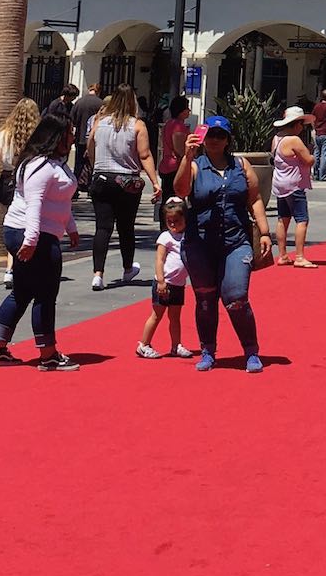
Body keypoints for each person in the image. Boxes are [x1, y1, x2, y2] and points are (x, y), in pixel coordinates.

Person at [172, 113, 273, 373]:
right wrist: (187, 156)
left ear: (228, 139)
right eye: (210, 135)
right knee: (205, 299)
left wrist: (264, 232)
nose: (215, 140)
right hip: (200, 243)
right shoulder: (195, 165)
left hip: (235, 241)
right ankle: (208, 350)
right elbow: (181, 190)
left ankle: (251, 351)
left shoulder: (240, 166)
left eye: (220, 135)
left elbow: (255, 199)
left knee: (236, 296)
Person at [0, 114, 81, 371]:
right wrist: (31, 240)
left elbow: (60, 201)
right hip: (31, 233)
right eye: (69, 133)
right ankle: (48, 354)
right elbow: (34, 205)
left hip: (40, 233)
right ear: (57, 137)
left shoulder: (56, 164)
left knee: (23, 291)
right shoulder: (40, 166)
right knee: (45, 294)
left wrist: (70, 227)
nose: (73, 138)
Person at [86, 85, 159, 291]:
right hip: (127, 180)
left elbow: (90, 147)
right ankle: (128, 268)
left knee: (103, 227)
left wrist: (95, 166)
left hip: (101, 177)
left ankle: (98, 274)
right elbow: (144, 155)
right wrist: (154, 181)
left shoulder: (99, 123)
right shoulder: (137, 125)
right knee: (126, 226)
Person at [0, 97, 41, 289]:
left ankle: (10, 269)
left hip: (7, 180)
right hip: (29, 180)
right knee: (28, 222)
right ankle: (17, 265)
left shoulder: (4, 134)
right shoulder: (37, 135)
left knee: (13, 220)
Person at [135, 195, 194, 360]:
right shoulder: (165, 237)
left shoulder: (187, 236)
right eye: (170, 221)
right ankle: (144, 344)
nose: (173, 224)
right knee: (156, 315)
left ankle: (176, 345)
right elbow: (159, 260)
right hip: (164, 283)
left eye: (177, 220)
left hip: (179, 284)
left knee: (175, 317)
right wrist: (160, 281)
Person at [271, 104, 317, 267]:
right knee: (301, 219)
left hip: (280, 183)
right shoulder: (294, 140)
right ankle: (299, 256)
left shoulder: (277, 138)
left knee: (282, 219)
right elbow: (308, 160)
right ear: (296, 124)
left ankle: (283, 255)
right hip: (294, 184)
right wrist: (312, 155)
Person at [153, 95, 191, 224]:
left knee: (167, 197)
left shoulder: (169, 123)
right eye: (187, 108)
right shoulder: (178, 126)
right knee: (173, 198)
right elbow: (179, 149)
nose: (189, 111)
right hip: (175, 167)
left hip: (167, 165)